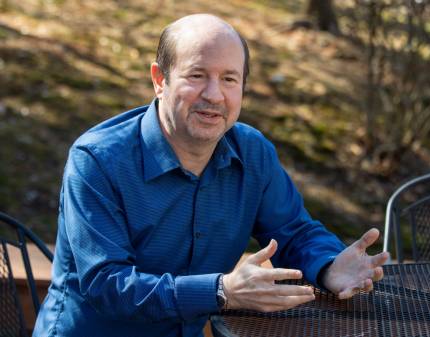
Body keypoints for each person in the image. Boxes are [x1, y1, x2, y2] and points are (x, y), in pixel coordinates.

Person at [33, 13, 389, 337]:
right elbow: (108, 286)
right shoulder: (97, 160)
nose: (214, 95)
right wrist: (222, 291)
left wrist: (328, 265)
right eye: (197, 75)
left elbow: (293, 233)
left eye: (229, 79)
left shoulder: (252, 152)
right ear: (160, 79)